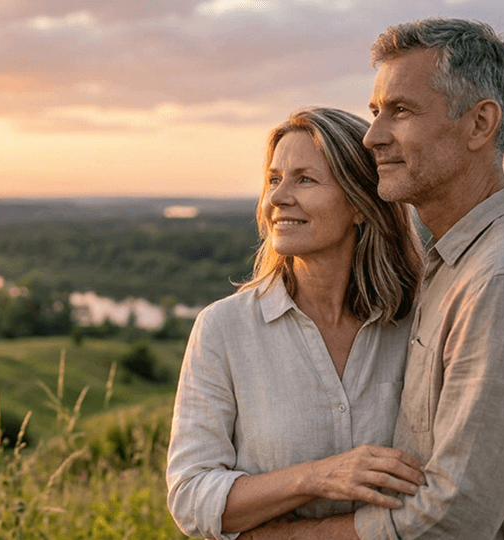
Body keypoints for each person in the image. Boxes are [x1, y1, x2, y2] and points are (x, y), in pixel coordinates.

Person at [242, 18, 504, 540]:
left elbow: (454, 516)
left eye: (401, 111)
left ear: (480, 124)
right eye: (374, 112)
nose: (373, 136)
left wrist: (282, 538)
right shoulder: (448, 261)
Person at [165, 106, 428, 540]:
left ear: (361, 205)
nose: (277, 198)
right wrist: (318, 477)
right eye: (273, 179)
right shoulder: (223, 330)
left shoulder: (419, 321)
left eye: (304, 179)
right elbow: (192, 498)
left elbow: (462, 466)